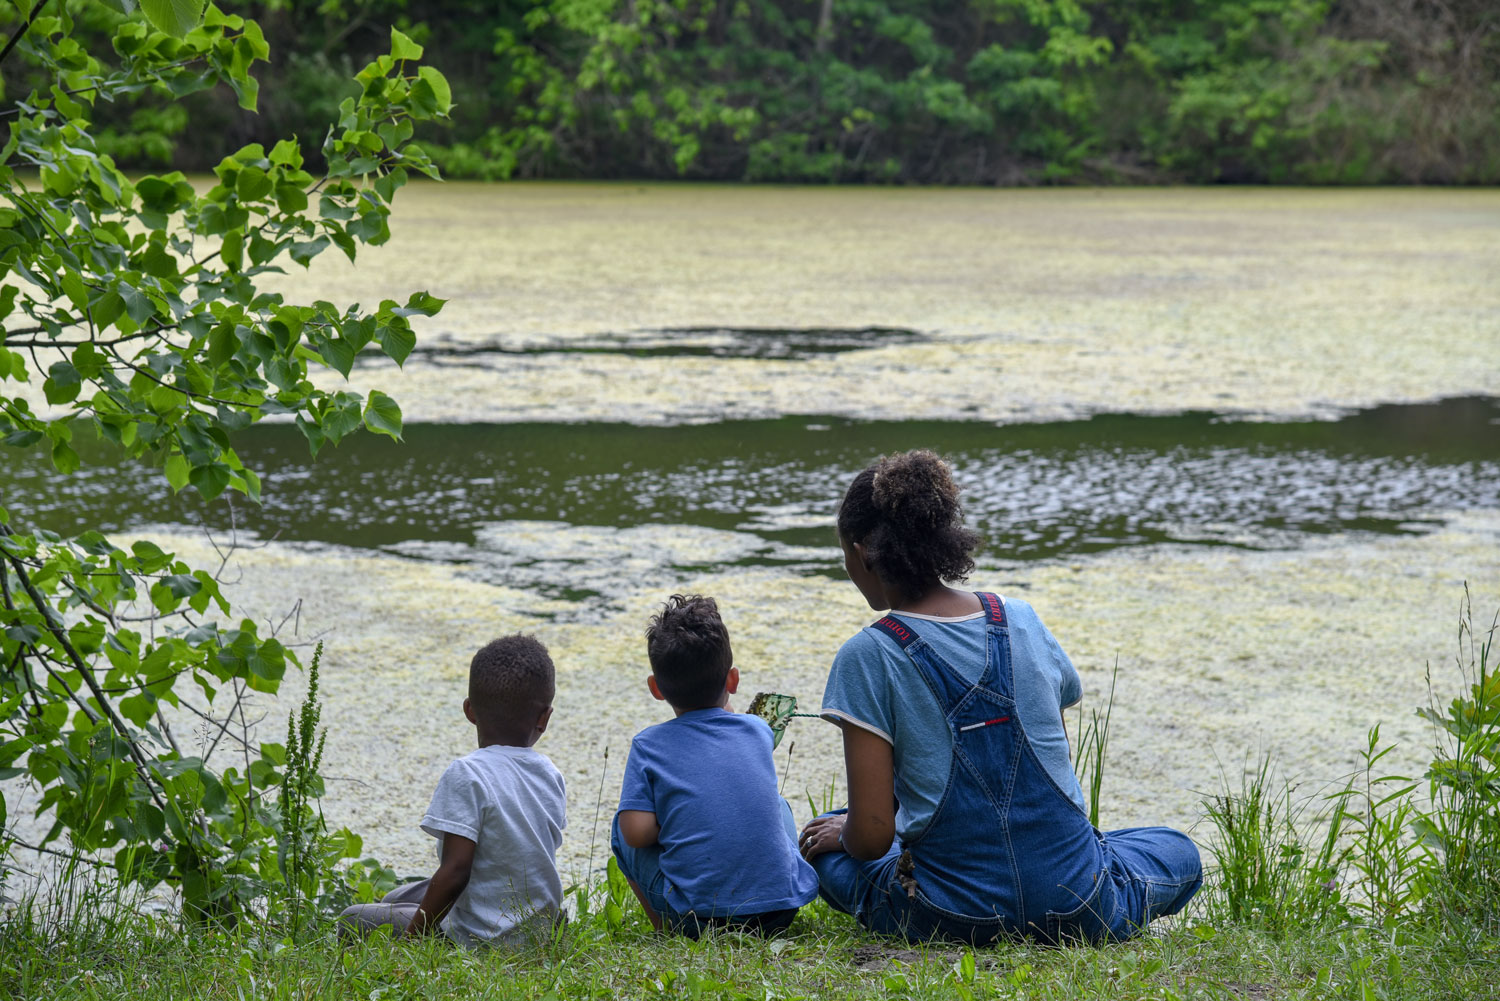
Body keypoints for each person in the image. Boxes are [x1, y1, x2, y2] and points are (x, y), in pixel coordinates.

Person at [798, 450, 1201, 944]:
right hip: (1078, 907)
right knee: (1177, 850)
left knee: (827, 851)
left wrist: (845, 832)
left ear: (860, 553)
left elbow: (873, 835)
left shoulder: (867, 655)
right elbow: (1053, 746)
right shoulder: (1021, 618)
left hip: (950, 919)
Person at [611, 594, 820, 937]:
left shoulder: (648, 745)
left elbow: (635, 833)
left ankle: (666, 928)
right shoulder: (758, 731)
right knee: (778, 803)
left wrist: (680, 818)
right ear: (733, 680)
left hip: (698, 920)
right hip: (778, 914)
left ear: (656, 689)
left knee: (620, 827)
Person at [339, 634, 567, 947]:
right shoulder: (550, 774)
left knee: (354, 917)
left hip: (482, 938)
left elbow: (456, 871)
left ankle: (428, 941)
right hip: (536, 932)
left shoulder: (468, 773)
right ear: (544, 718)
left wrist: (412, 939)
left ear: (469, 710)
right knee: (395, 896)